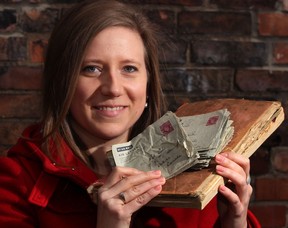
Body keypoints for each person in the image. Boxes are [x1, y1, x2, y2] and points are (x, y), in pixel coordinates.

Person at [0, 0, 261, 227]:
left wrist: (234, 222)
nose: (113, 88)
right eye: (91, 69)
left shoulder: (199, 171)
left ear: (148, 82)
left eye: (129, 69)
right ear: (62, 81)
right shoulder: (15, 180)